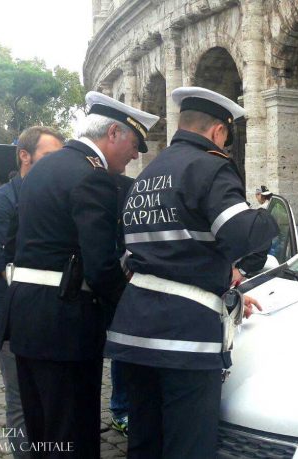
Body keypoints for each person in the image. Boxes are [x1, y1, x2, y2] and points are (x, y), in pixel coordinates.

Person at [104, 86, 278, 459]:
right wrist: (267, 213)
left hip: (135, 330)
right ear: (218, 132)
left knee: (146, 440)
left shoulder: (148, 174)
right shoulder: (210, 166)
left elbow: (159, 248)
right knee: (188, 445)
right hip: (185, 337)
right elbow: (243, 234)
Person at [0, 92, 159, 458]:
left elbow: (12, 245)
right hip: (65, 327)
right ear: (113, 133)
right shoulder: (91, 177)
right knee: (72, 437)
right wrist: (135, 310)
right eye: (134, 145)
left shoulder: (40, 171)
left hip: (24, 320)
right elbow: (100, 267)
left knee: (41, 433)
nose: (135, 155)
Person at [0, 126, 64, 457]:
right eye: (49, 157)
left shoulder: (56, 197)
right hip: (10, 317)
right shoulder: (0, 202)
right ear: (24, 155)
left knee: (52, 403)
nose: (55, 164)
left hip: (50, 317)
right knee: (20, 405)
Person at [109, 173, 135, 437]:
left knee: (125, 349)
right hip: (115, 278)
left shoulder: (130, 186)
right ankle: (120, 409)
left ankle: (123, 407)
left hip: (132, 277)